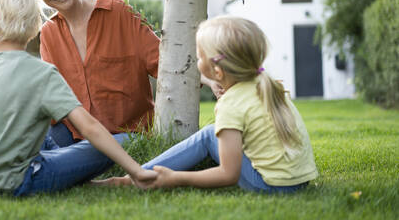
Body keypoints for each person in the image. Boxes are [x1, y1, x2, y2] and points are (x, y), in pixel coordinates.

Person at [0, 0, 156, 197]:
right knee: (125, 140)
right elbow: (89, 127)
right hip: (21, 181)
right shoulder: (41, 73)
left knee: (34, 130)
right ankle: (80, 177)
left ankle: (79, 179)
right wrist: (136, 171)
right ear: (35, 26)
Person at [24, 0, 222, 147]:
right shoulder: (49, 33)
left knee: (70, 156)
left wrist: (208, 77)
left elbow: (162, 60)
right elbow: (53, 93)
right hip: (75, 132)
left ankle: (70, 164)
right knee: (27, 145)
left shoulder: (118, 13)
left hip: (125, 132)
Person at [97, 16, 318, 193]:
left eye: (200, 55)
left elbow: (228, 174)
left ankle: (134, 178)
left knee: (209, 135)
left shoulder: (230, 104)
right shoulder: (265, 83)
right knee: (214, 134)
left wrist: (175, 178)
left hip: (271, 186)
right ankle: (135, 176)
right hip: (299, 181)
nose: (196, 59)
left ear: (218, 71)